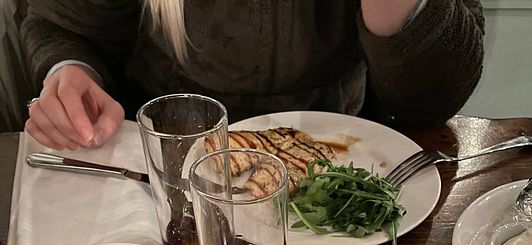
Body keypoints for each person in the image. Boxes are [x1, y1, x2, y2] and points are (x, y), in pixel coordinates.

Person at [21, 0, 484, 151]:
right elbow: (66, 26)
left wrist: (399, 11)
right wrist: (71, 70)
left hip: (350, 163)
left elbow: (433, 104)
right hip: (167, 171)